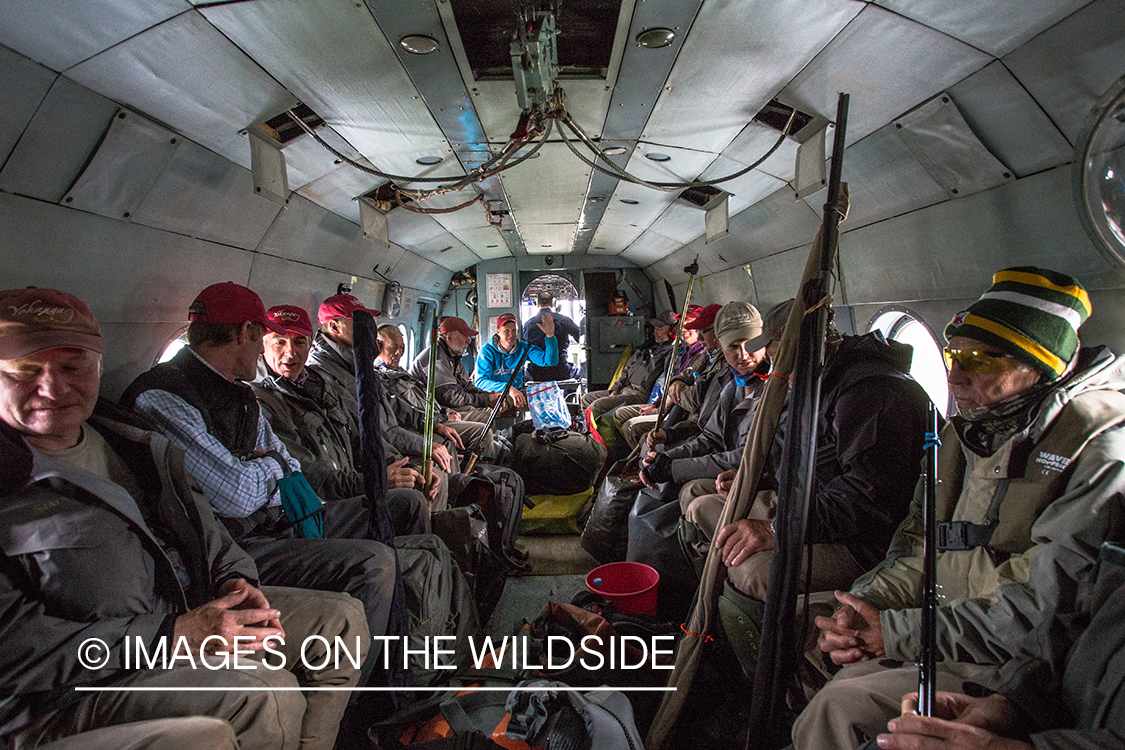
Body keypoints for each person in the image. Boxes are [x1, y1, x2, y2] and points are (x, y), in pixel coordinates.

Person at [0, 286, 368, 750]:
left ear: (97, 365)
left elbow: (205, 524)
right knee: (266, 697)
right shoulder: (16, 476)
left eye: (72, 367)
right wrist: (173, 636)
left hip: (187, 603)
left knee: (341, 620)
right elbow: (14, 648)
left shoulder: (128, 439)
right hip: (74, 685)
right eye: (24, 371)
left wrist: (234, 579)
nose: (53, 388)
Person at [792, 267, 1125, 750]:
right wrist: (865, 605)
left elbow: (1046, 616)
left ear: (1040, 366)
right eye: (952, 355)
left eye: (981, 361)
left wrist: (895, 633)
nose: (955, 375)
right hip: (940, 619)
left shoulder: (1098, 450)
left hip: (1020, 664)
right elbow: (916, 544)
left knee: (838, 708)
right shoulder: (964, 432)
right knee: (813, 628)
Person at [119, 282, 403, 682]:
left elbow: (287, 466)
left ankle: (398, 662)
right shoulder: (163, 396)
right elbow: (236, 494)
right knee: (375, 563)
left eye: (299, 342)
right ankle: (364, 701)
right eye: (268, 339)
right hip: (230, 551)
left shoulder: (238, 394)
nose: (284, 353)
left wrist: (262, 466)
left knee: (401, 506)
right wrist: (268, 468)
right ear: (246, 334)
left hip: (273, 518)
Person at [680, 301, 929, 602]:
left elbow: (864, 501)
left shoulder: (868, 395)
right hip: (813, 506)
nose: (777, 371)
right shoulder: (816, 384)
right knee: (702, 507)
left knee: (751, 572)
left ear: (811, 349)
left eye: (780, 358)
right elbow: (807, 458)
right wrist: (765, 478)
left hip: (863, 540)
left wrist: (775, 529)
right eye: (772, 359)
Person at [875, 541, 1125, 750]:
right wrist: (1008, 706)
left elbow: (1029, 612)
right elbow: (1071, 635)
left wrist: (896, 631)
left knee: (842, 706)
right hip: (1045, 718)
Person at [249, 304, 435, 515]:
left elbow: (360, 435)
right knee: (411, 503)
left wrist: (402, 466)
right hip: (319, 506)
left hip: (351, 485)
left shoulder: (318, 384)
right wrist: (375, 481)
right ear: (263, 345)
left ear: (309, 345)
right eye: (279, 343)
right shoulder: (262, 403)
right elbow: (311, 476)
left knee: (419, 487)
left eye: (299, 342)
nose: (290, 352)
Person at [639, 301, 772, 490]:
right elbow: (711, 437)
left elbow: (749, 456)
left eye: (750, 344)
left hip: (753, 475)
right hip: (726, 464)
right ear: (721, 347)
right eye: (733, 347)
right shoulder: (732, 386)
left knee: (692, 492)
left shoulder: (775, 388)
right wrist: (669, 459)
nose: (743, 355)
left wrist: (674, 467)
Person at [375, 323, 494, 464]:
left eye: (401, 347)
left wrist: (444, 411)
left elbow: (423, 398)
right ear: (378, 347)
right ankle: (477, 473)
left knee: (488, 415)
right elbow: (405, 411)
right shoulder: (380, 379)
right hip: (422, 426)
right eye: (393, 347)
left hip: (435, 416)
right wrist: (440, 419)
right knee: (482, 430)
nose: (398, 353)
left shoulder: (400, 372)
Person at [611, 304, 706, 448]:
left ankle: (645, 463)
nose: (684, 330)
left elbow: (680, 394)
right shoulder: (684, 353)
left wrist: (660, 407)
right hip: (664, 405)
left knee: (632, 427)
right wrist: (656, 404)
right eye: (682, 326)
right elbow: (670, 386)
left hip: (679, 413)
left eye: (690, 326)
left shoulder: (700, 356)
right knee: (620, 416)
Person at [409, 317, 513, 423]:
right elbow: (452, 398)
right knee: (486, 416)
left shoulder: (454, 357)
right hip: (434, 412)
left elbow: (467, 386)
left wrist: (489, 396)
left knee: (499, 403)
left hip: (446, 405)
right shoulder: (436, 359)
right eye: (464, 336)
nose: (468, 341)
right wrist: (486, 400)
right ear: (449, 337)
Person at [579, 310, 676, 421]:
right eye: (655, 329)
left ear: (671, 331)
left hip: (639, 394)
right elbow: (626, 370)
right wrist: (616, 389)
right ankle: (590, 431)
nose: (655, 332)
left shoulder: (671, 354)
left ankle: (596, 437)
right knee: (586, 398)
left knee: (597, 406)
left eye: (659, 329)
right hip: (625, 388)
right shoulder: (646, 348)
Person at [474, 311, 558, 407]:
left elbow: (549, 361)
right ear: (498, 331)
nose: (511, 335)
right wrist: (508, 389)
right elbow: (480, 382)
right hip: (494, 396)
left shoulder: (524, 348)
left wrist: (550, 335)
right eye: (506, 331)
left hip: (517, 392)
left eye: (514, 331)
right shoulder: (486, 352)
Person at [524, 292, 581, 382]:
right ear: (554, 303)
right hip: (561, 371)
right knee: (578, 372)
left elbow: (524, 344)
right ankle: (570, 396)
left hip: (536, 373)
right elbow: (581, 338)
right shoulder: (564, 320)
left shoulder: (528, 324)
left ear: (536, 304)